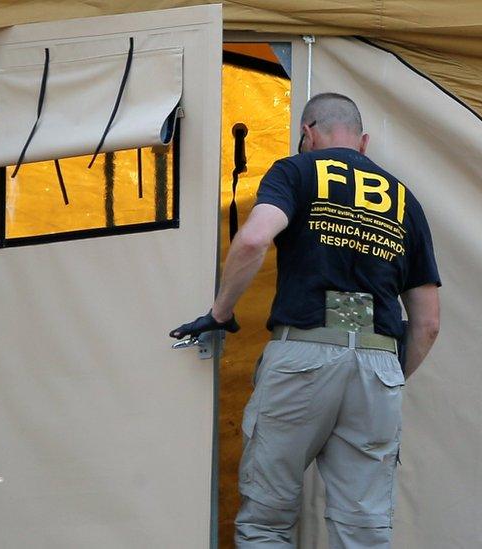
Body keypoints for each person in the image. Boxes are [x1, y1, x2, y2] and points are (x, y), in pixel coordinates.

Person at [170, 93, 441, 548]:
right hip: (379, 365)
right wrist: (388, 376)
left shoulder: (296, 170)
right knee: (365, 528)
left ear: (307, 133)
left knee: (267, 521)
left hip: (303, 354)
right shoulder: (405, 200)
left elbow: (254, 240)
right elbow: (428, 323)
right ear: (364, 142)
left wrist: (220, 313)